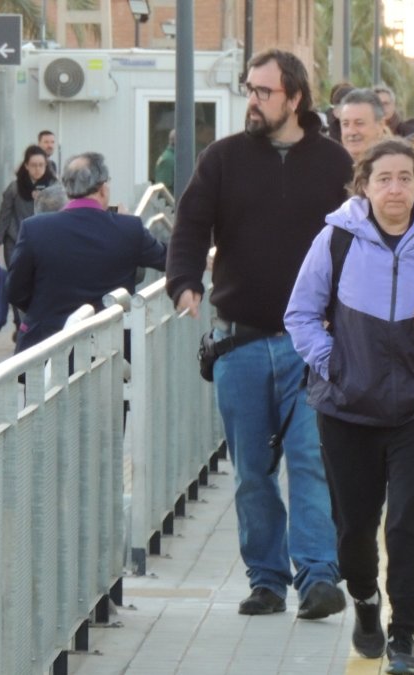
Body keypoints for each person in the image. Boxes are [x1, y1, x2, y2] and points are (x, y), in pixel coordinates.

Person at [284, 137, 414, 675]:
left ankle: (404, 636)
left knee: (410, 519)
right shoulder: (335, 241)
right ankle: (366, 602)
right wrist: (334, 364)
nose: (395, 188)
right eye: (383, 179)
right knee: (353, 524)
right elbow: (300, 315)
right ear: (365, 186)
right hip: (346, 407)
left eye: (405, 178)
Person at [165, 49, 354, 619]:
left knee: (309, 460)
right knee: (252, 471)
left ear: (294, 98)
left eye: (264, 92)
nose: (252, 100)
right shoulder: (222, 159)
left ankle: (319, 575)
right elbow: (191, 223)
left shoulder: (333, 163)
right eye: (249, 89)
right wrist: (183, 283)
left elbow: (355, 244)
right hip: (239, 342)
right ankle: (267, 580)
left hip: (313, 345)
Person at [6, 152, 166, 352]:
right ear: (102, 188)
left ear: (67, 188)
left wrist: (45, 308)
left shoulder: (34, 228)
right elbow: (167, 259)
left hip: (45, 347)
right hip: (108, 349)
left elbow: (14, 290)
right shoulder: (129, 228)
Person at [0, 144, 58, 269]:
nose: (37, 169)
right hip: (16, 242)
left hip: (44, 243)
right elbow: (4, 216)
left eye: (41, 165)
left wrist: (45, 199)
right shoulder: (15, 188)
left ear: (46, 165)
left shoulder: (54, 187)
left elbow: (61, 211)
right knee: (18, 281)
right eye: (34, 165)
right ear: (26, 166)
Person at [336, 88, 387, 167]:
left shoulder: (396, 168)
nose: (351, 131)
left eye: (359, 123)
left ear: (380, 125)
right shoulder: (329, 168)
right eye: (345, 124)